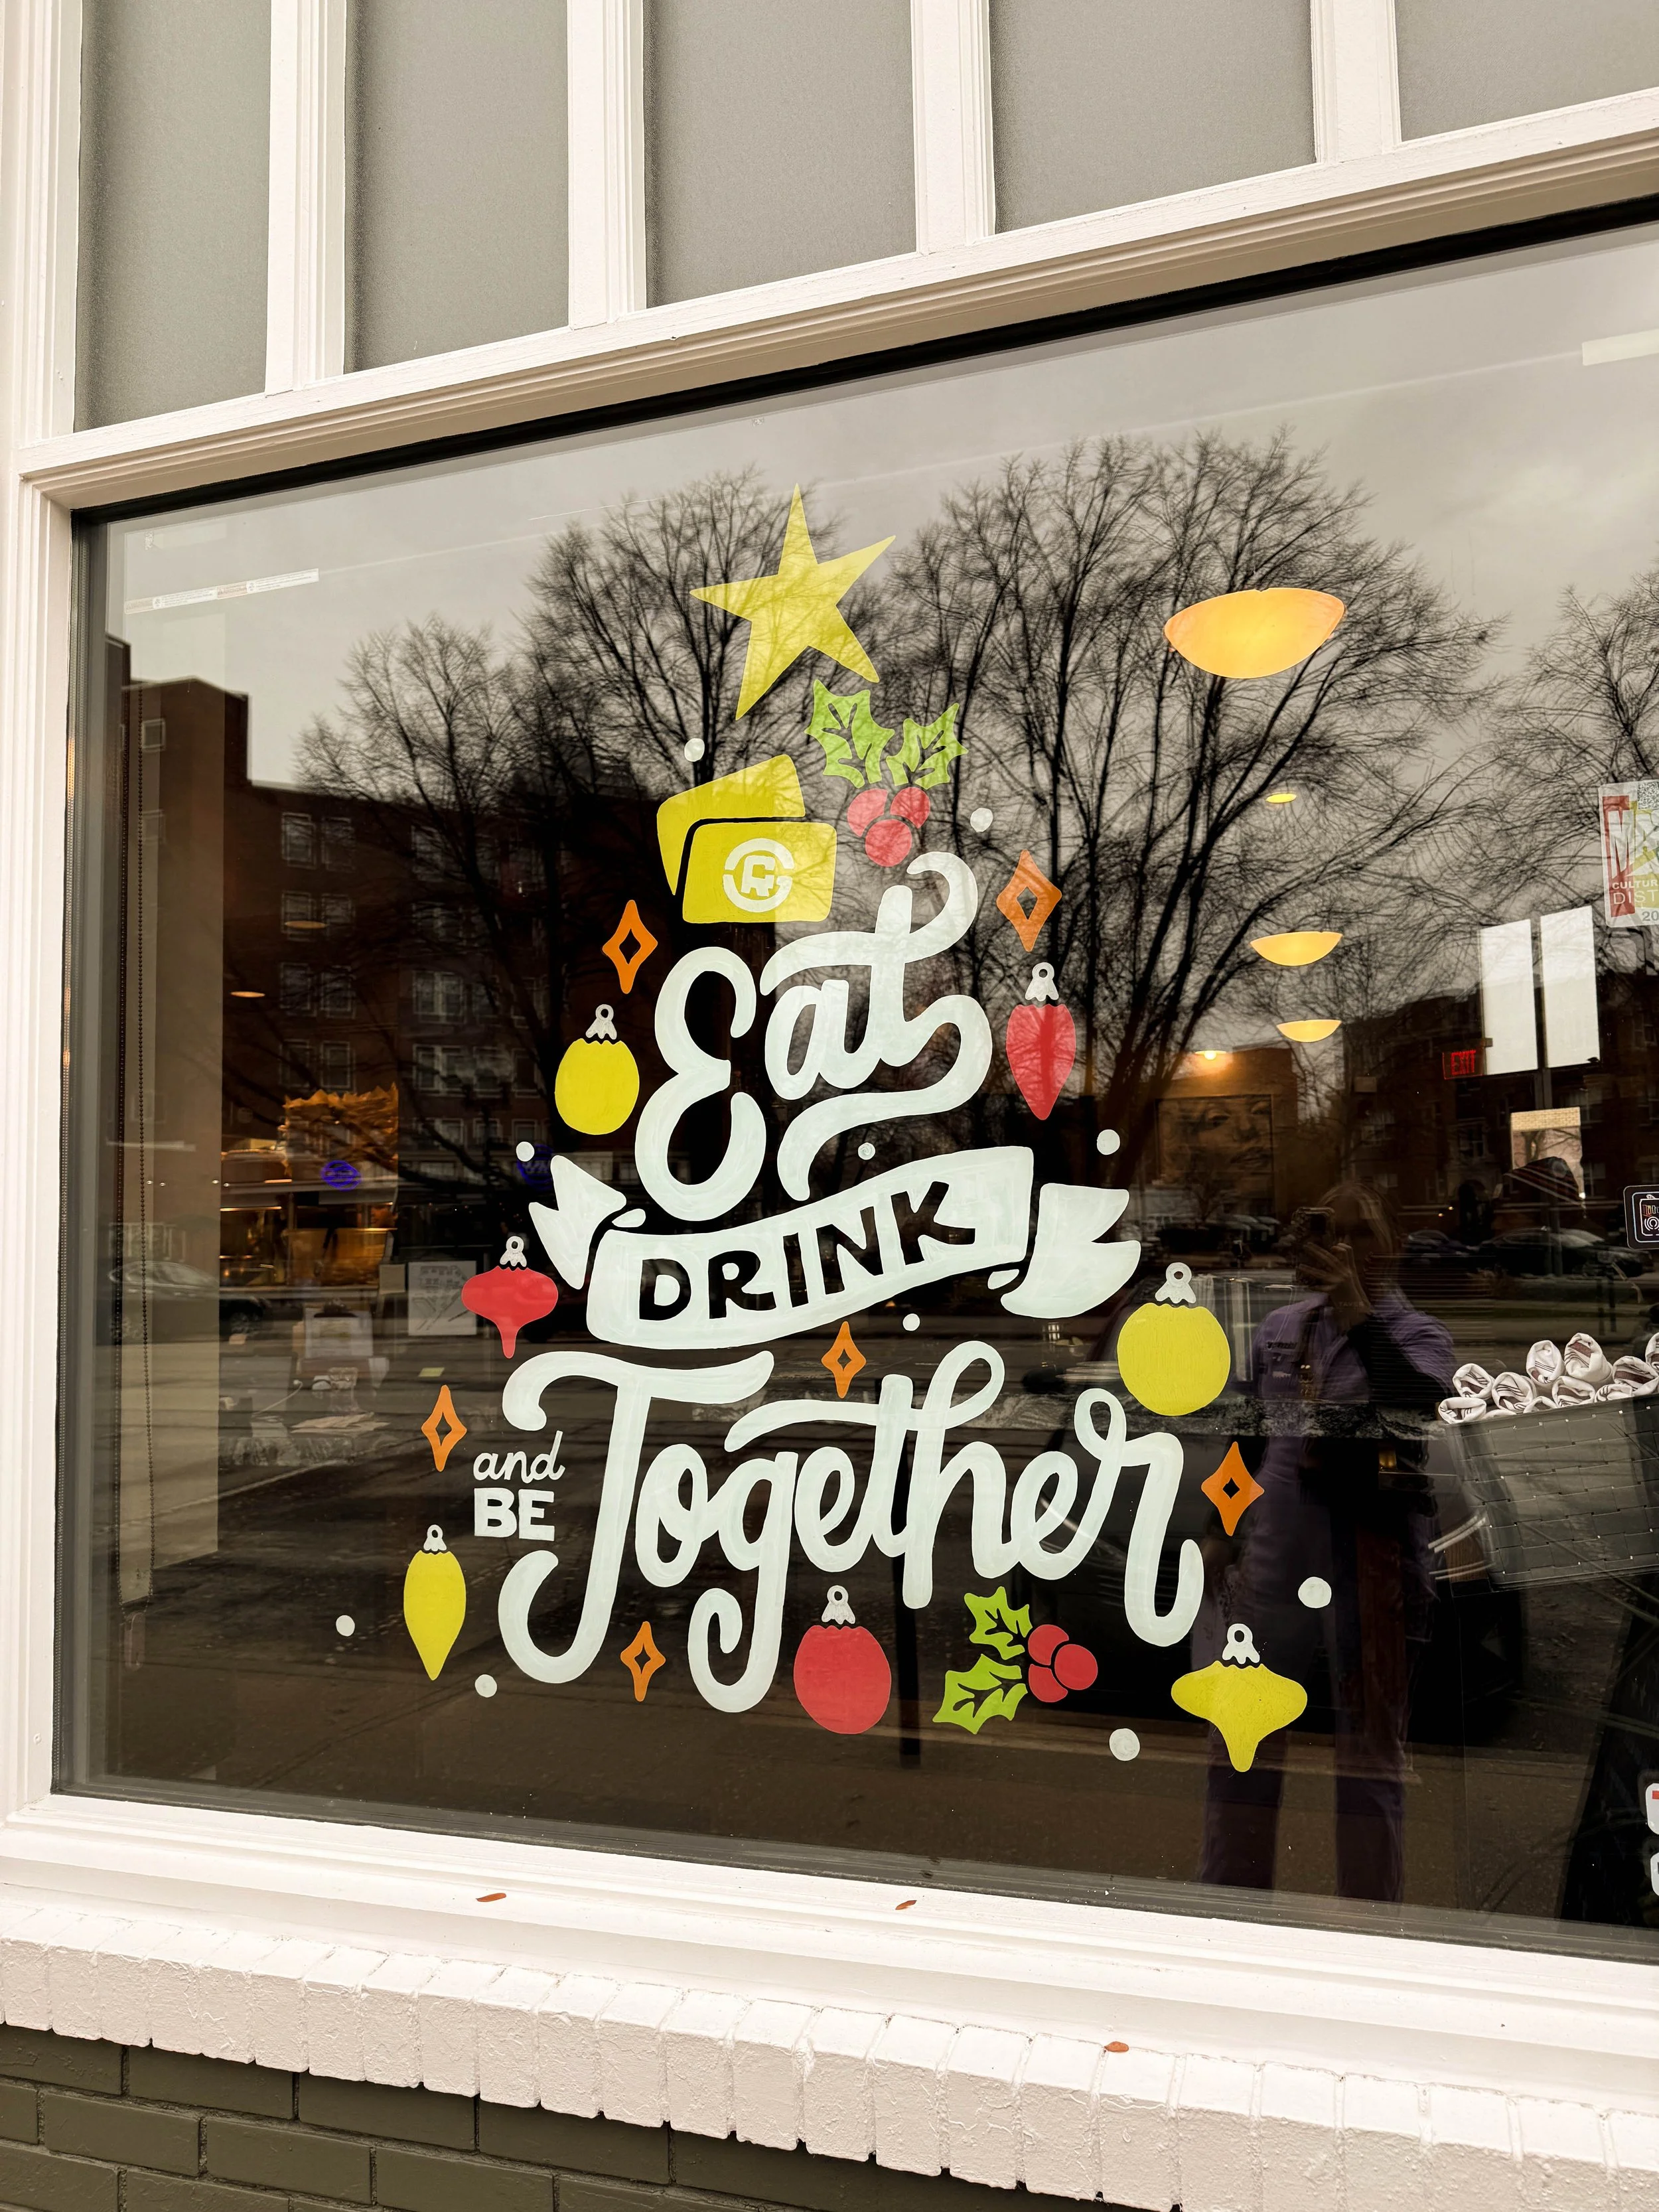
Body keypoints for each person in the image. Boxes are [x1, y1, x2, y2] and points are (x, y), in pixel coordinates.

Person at [1196, 1181, 1454, 1903]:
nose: (1342, 1247)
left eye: (1358, 1233)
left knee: (1369, 1759)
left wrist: (1355, 1311)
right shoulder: (1281, 1329)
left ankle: (1370, 1921)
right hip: (1276, 1565)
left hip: (1371, 1567)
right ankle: (1229, 1907)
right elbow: (1243, 1440)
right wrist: (1218, 1531)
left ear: (1391, 1246)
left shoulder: (1419, 1335)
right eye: (1326, 1231)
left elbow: (1414, 1412)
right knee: (1240, 1742)